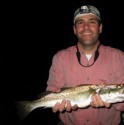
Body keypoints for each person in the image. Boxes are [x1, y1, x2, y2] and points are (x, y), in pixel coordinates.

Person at [46, 5, 124, 125]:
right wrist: (56, 105)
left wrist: (113, 102)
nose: (86, 27)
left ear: (100, 28)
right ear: (74, 29)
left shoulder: (119, 57)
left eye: (92, 22)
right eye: (80, 23)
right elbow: (51, 90)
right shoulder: (60, 57)